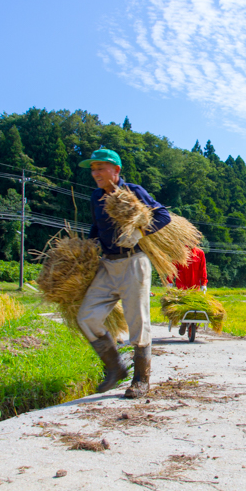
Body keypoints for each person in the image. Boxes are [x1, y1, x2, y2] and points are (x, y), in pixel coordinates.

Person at [76, 148, 170, 398]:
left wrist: (140, 232)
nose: (95, 173)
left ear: (116, 170)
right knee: (86, 317)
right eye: (93, 169)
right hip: (107, 265)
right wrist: (89, 248)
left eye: (100, 168)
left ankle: (141, 379)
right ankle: (115, 367)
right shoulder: (96, 196)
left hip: (133, 262)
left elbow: (163, 215)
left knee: (137, 322)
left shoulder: (133, 192)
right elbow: (96, 227)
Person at [169, 246, 208, 335]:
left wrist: (204, 284)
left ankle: (193, 325)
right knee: (183, 305)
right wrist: (169, 281)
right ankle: (184, 322)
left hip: (195, 286)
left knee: (194, 306)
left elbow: (203, 269)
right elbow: (173, 268)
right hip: (182, 285)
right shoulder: (179, 252)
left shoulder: (199, 253)